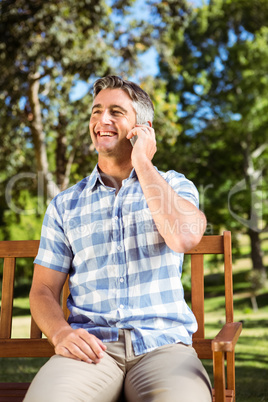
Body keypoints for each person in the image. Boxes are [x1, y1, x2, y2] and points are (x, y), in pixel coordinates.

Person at [24, 75, 212, 402]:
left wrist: (142, 162)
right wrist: (60, 332)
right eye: (96, 112)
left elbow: (184, 237)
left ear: (142, 128)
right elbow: (42, 290)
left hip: (163, 348)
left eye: (115, 111)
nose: (101, 120)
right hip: (91, 351)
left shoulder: (175, 185)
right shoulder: (65, 204)